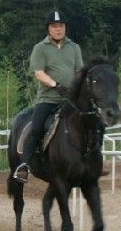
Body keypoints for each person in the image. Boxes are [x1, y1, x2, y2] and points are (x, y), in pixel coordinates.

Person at [14, 11, 84, 181]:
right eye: (54, 26)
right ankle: (25, 165)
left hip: (69, 100)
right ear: (48, 29)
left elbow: (79, 72)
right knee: (37, 128)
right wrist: (56, 85)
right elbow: (39, 73)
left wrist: (77, 89)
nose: (58, 29)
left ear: (65, 27)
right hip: (48, 99)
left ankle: (91, 162)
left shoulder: (74, 47)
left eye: (61, 26)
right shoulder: (40, 48)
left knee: (90, 122)